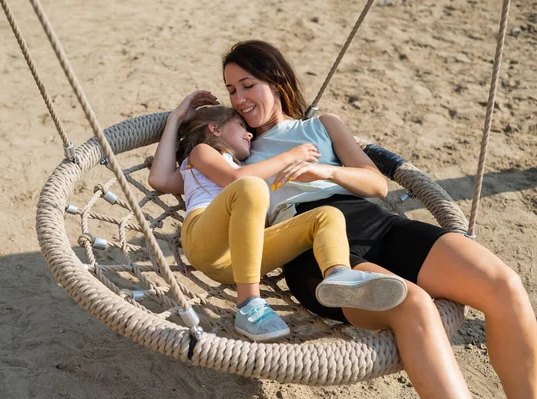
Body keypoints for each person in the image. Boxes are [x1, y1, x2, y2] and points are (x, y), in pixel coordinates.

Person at [220, 40, 537, 398]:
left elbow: (376, 185)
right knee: (413, 304)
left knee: (504, 285)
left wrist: (322, 170)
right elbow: (183, 171)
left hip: (375, 222)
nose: (239, 99)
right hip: (312, 249)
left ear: (276, 82)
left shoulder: (323, 125)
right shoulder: (237, 151)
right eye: (231, 90)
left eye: (248, 86)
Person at [148, 92, 409, 342]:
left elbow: (240, 178)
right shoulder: (202, 154)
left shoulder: (238, 167)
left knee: (327, 216)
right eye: (240, 125)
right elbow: (161, 179)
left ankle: (339, 275)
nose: (249, 132)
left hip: (242, 260)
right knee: (251, 186)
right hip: (205, 242)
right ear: (214, 129)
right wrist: (176, 119)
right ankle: (249, 305)